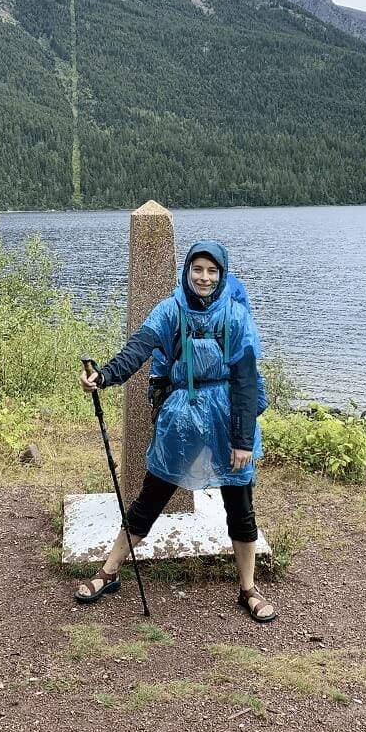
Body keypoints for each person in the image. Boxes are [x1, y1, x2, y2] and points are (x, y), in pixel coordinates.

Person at [74, 241, 278, 623]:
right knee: (151, 498)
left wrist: (242, 439)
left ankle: (248, 589)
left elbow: (247, 379)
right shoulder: (171, 309)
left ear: (222, 275)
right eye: (197, 269)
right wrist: (104, 377)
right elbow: (140, 347)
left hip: (227, 417)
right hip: (181, 418)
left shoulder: (235, 315)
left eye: (211, 271)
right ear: (186, 272)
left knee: (240, 508)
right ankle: (109, 571)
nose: (203, 278)